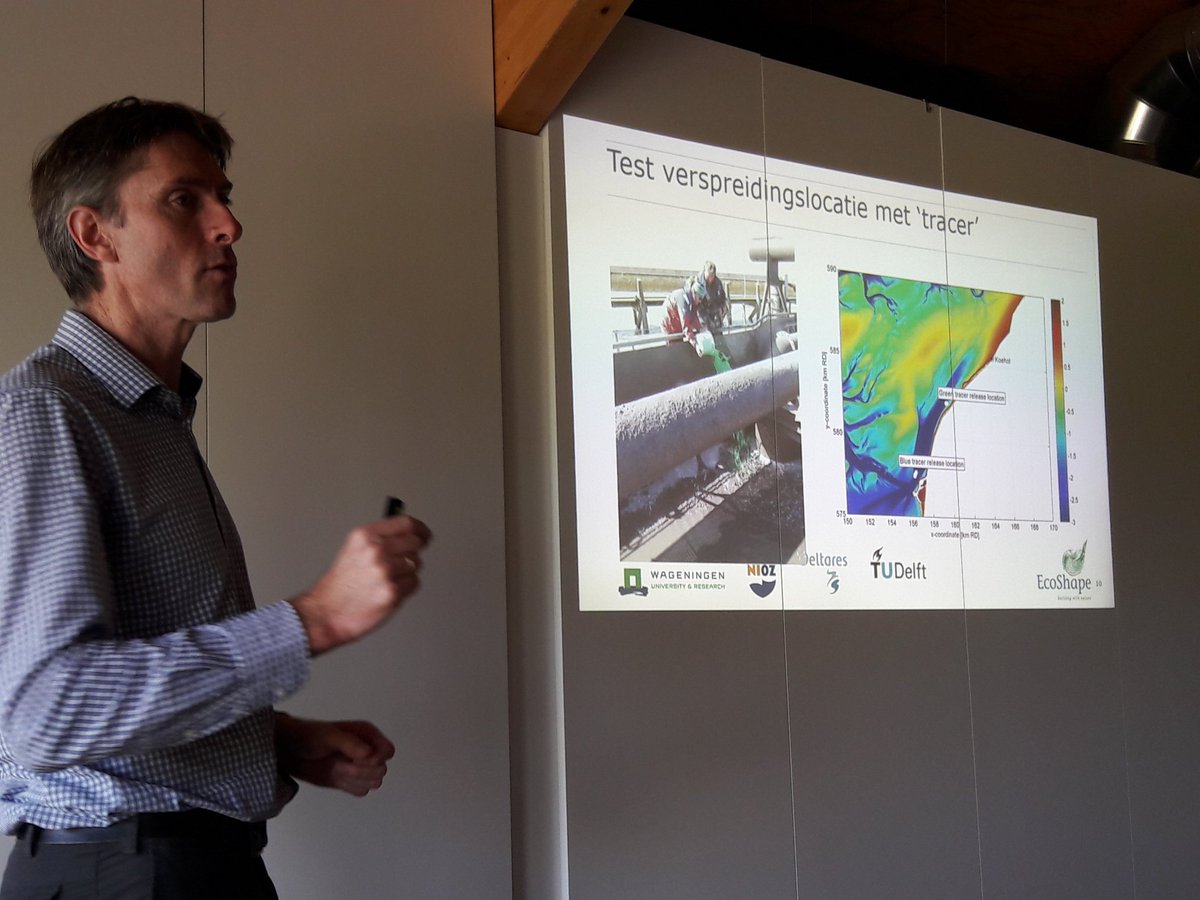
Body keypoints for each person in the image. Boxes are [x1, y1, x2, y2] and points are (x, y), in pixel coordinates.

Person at [0, 97, 431, 899]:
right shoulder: (48, 410)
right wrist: (315, 620)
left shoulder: (148, 415)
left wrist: (276, 740)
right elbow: (46, 711)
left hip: (178, 865)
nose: (229, 225)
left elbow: (120, 689)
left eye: (223, 198)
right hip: (124, 873)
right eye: (183, 200)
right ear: (94, 235)